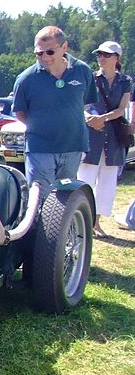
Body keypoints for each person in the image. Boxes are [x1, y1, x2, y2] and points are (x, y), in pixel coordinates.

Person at [12, 26, 97, 189]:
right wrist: (39, 128)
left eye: (49, 52)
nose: (44, 57)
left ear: (64, 47)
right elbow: (20, 112)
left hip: (72, 146)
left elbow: (83, 103)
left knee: (66, 197)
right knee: (41, 196)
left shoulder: (82, 71)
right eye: (39, 53)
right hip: (40, 147)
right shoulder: (25, 79)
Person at [76, 41, 132, 237]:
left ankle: (96, 222)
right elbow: (80, 103)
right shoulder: (90, 78)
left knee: (107, 181)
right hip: (90, 134)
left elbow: (121, 108)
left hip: (113, 137)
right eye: (99, 54)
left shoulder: (125, 81)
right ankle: (81, 220)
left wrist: (103, 118)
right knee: (85, 178)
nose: (101, 58)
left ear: (116, 58)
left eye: (106, 55)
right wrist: (90, 119)